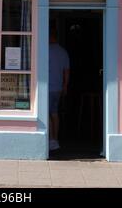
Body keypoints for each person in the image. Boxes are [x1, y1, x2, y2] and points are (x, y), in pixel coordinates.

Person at [49, 23, 70, 151]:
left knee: (46, 113)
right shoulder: (63, 52)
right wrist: (65, 86)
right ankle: (56, 138)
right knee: (55, 113)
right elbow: (66, 71)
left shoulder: (45, 50)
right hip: (58, 88)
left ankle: (51, 140)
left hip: (47, 87)